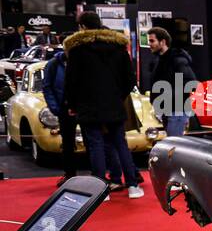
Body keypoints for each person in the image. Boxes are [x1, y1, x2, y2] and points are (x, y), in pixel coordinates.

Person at [62, 11, 143, 199]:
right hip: (114, 104)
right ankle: (132, 186)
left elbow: (71, 81)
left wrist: (73, 103)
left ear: (82, 27)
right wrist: (117, 95)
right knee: (120, 144)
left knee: (96, 145)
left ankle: (101, 191)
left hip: (88, 106)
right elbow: (130, 78)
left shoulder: (77, 50)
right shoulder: (118, 47)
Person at [146, 26, 197, 139]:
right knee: (172, 145)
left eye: (152, 40)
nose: (149, 44)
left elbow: (190, 83)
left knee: (175, 147)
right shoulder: (158, 60)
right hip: (166, 111)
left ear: (163, 42)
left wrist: (166, 98)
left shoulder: (177, 60)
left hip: (176, 111)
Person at [41, 45, 75, 181]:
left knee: (91, 142)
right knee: (67, 144)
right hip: (64, 109)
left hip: (83, 108)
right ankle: (70, 174)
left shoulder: (82, 61)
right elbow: (47, 86)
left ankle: (96, 177)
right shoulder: (53, 64)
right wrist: (55, 108)